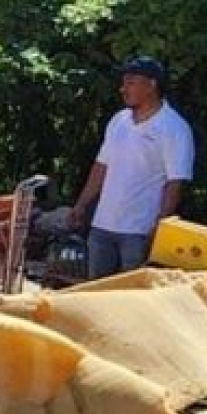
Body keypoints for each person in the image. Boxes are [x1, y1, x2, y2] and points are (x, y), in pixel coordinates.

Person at [70, 56, 194, 279]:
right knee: (95, 289)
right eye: (123, 82)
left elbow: (175, 182)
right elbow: (101, 167)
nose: (123, 89)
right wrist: (81, 205)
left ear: (152, 85)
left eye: (131, 82)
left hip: (138, 230)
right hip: (102, 225)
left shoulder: (173, 128)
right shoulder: (119, 120)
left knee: (132, 291)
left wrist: (159, 227)